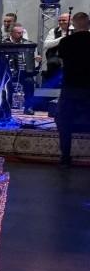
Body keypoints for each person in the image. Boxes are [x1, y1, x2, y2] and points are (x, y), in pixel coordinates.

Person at [56, 11, 90, 167]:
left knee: (64, 121)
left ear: (74, 24)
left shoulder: (66, 42)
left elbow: (62, 65)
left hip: (70, 86)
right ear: (88, 24)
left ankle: (65, 157)